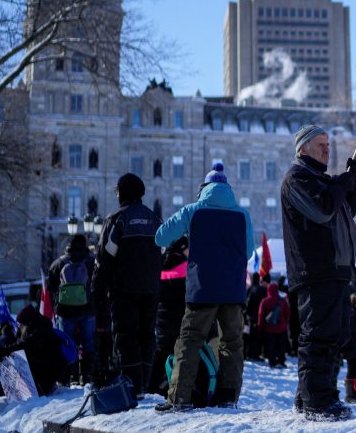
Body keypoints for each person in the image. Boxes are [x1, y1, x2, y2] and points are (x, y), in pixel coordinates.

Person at [154, 161, 254, 412]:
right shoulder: (242, 214)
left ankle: (179, 398)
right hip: (233, 291)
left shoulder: (194, 210)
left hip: (203, 289)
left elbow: (161, 237)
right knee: (232, 344)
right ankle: (228, 397)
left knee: (189, 340)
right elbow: (249, 251)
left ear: (204, 187)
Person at [281, 124, 356, 421]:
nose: (327, 149)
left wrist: (355, 180)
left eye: (328, 144)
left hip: (337, 269)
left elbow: (345, 210)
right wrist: (341, 184)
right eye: (320, 144)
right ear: (302, 149)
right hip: (316, 269)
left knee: (335, 335)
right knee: (318, 336)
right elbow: (324, 209)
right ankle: (317, 401)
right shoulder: (297, 178)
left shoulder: (323, 180)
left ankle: (314, 394)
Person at [94, 172, 163, 394]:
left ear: (122, 194)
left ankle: (132, 386)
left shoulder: (116, 220)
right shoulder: (155, 220)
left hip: (123, 290)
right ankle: (145, 384)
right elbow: (162, 254)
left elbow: (103, 260)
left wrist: (97, 292)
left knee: (126, 336)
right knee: (147, 335)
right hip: (151, 290)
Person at [46, 233, 96, 384]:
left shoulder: (58, 263)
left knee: (66, 343)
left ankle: (68, 376)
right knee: (88, 344)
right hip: (87, 310)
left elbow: (51, 288)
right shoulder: (91, 262)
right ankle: (86, 376)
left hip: (65, 311)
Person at [148, 236, 189, 396]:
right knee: (179, 352)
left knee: (160, 352)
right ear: (183, 247)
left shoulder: (160, 262)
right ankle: (171, 386)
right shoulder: (186, 265)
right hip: (180, 314)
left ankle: (152, 385)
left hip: (162, 314)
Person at [258, 281, 290, 368]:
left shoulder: (264, 301)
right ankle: (281, 361)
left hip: (269, 328)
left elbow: (261, 315)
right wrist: (285, 323)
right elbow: (287, 313)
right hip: (281, 327)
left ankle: (272, 362)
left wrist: (260, 326)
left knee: (270, 345)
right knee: (281, 345)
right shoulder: (282, 300)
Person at [341, 293, 356, 404]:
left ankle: (353, 392)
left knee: (355, 368)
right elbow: (350, 327)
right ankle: (349, 394)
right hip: (351, 345)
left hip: (354, 345)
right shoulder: (350, 310)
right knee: (352, 369)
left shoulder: (353, 309)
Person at [245, 273, 266, 361]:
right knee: (258, 337)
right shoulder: (262, 289)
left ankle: (249, 353)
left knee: (249, 336)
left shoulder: (249, 289)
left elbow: (246, 302)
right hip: (260, 316)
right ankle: (256, 354)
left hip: (249, 316)